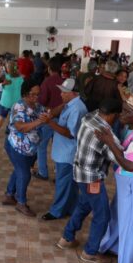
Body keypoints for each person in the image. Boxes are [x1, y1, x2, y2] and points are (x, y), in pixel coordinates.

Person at [55, 98, 133, 263]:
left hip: (79, 172)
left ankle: (67, 238)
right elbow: (122, 159)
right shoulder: (104, 135)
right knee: (102, 215)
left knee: (84, 205)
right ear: (113, 115)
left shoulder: (90, 117)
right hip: (92, 179)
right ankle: (90, 252)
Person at [98, 94, 133, 263]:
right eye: (123, 108)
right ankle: (115, 249)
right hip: (128, 186)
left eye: (127, 111)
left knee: (131, 230)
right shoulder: (132, 129)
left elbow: (130, 165)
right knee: (122, 223)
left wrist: (109, 142)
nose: (121, 113)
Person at [40, 78, 87, 220]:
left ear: (73, 93)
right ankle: (71, 208)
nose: (61, 95)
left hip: (68, 153)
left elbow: (70, 133)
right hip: (64, 151)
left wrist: (49, 123)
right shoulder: (70, 104)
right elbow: (57, 111)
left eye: (64, 92)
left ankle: (57, 211)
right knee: (70, 185)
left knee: (63, 183)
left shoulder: (77, 109)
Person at [2, 79, 46, 217]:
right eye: (33, 94)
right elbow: (20, 126)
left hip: (30, 149)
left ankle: (9, 195)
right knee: (24, 174)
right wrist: (40, 121)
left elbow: (47, 112)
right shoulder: (19, 106)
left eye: (38, 94)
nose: (36, 97)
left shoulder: (37, 106)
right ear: (25, 94)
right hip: (17, 147)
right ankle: (21, 203)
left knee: (19, 170)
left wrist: (62, 106)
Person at [36, 57, 64, 180]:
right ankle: (58, 174)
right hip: (63, 118)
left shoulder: (47, 82)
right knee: (58, 147)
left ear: (49, 68)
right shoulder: (65, 81)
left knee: (42, 145)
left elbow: (42, 100)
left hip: (49, 118)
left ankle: (43, 172)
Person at [0, 60, 23, 138]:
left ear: (8, 69)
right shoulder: (21, 78)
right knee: (13, 118)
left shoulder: (5, 77)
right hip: (16, 102)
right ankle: (9, 131)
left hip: (6, 101)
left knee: (1, 117)